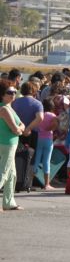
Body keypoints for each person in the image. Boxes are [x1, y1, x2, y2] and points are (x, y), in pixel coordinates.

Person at [0, 80, 25, 211]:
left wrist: (20, 128)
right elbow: (16, 129)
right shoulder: (4, 108)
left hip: (11, 143)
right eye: (9, 92)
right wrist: (20, 129)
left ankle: (9, 202)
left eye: (15, 92)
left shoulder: (10, 108)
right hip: (6, 144)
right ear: (2, 94)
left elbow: (22, 125)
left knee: (12, 174)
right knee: (3, 172)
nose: (13, 94)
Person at [12, 81, 44, 153]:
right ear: (34, 91)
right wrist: (28, 128)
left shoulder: (15, 102)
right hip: (31, 133)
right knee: (28, 157)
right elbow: (40, 117)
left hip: (16, 131)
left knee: (15, 156)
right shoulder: (37, 103)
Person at [34, 98, 58, 190]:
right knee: (46, 161)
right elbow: (55, 125)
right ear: (52, 106)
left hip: (39, 138)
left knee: (36, 159)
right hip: (48, 139)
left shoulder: (41, 115)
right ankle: (47, 184)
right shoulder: (52, 115)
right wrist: (49, 129)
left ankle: (29, 181)